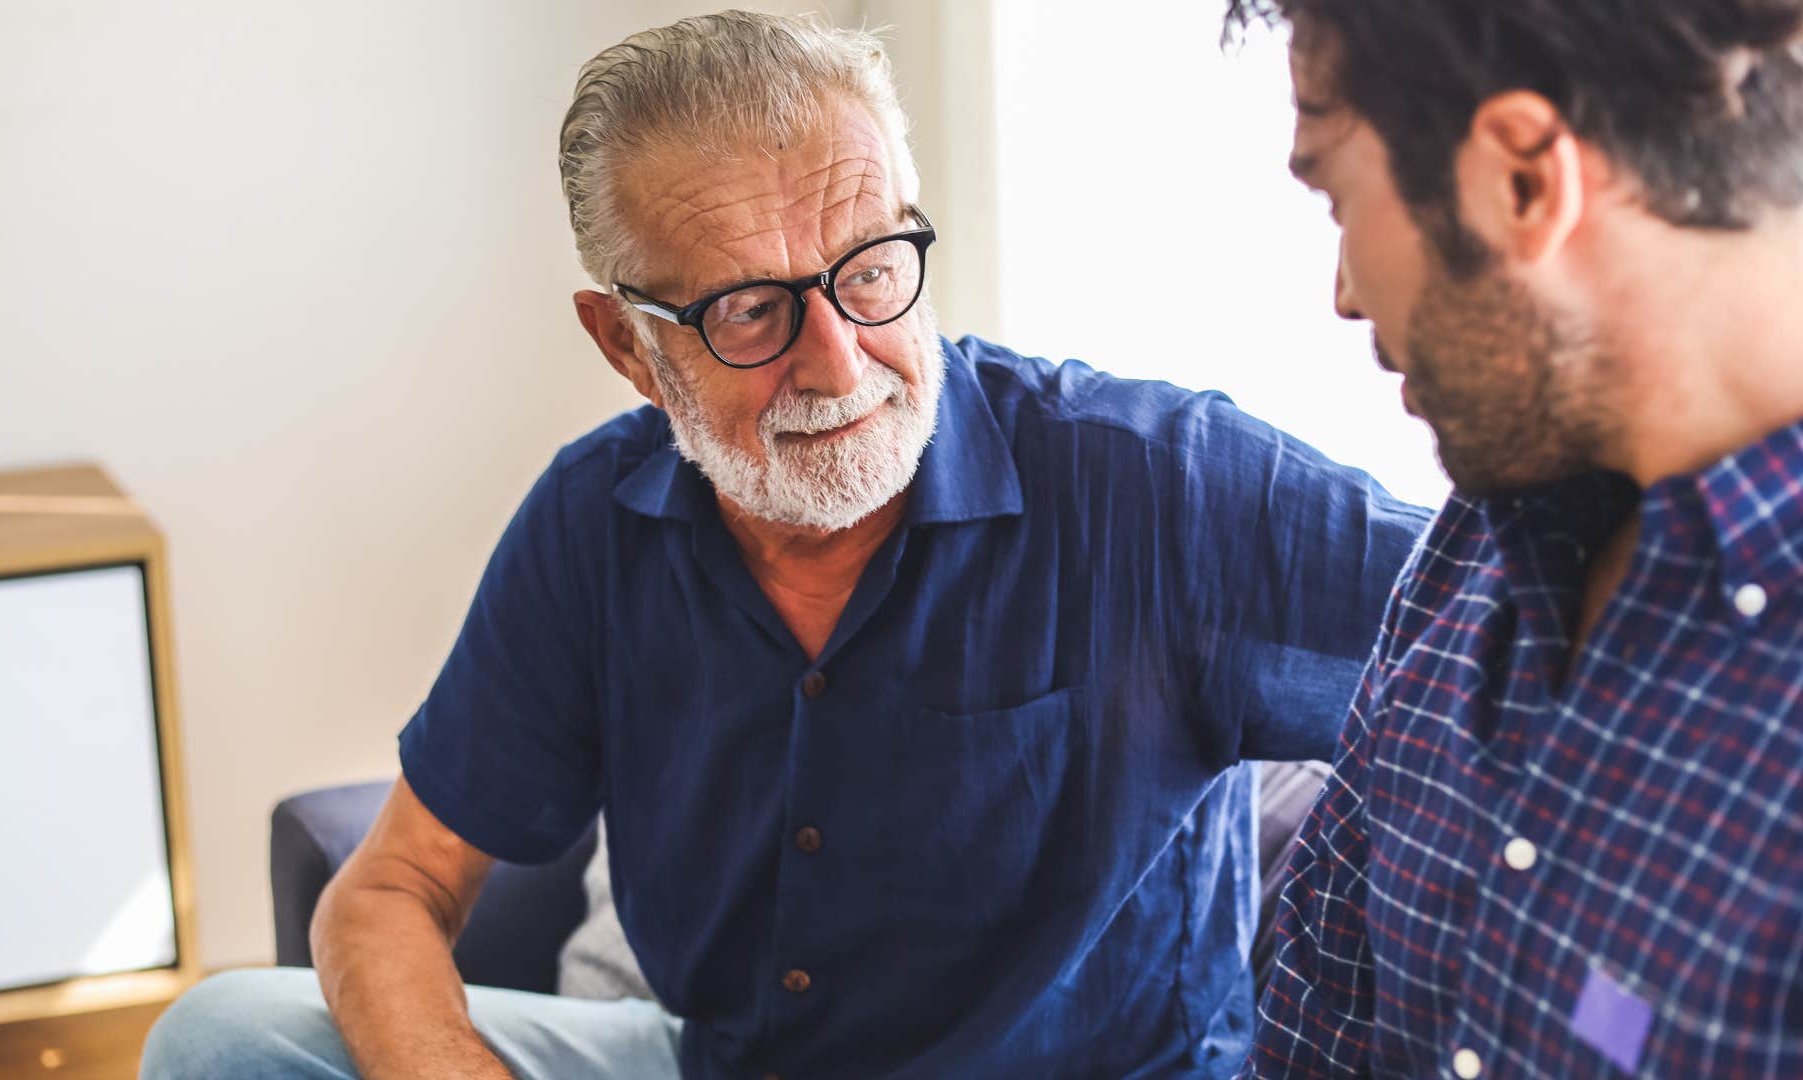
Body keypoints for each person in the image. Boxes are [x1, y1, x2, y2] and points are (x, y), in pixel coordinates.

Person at [142, 11, 1425, 1079]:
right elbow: (385, 893)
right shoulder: (594, 525)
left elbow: (1523, 624)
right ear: (627, 346)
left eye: (870, 270)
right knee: (224, 1040)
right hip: (721, 1059)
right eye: (751, 309)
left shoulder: (1161, 485)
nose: (837, 359)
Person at [1227, 2, 1803, 1077]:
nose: (1343, 294)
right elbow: (1314, 1040)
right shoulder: (1464, 565)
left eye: (1337, 195)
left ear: (1523, 179)